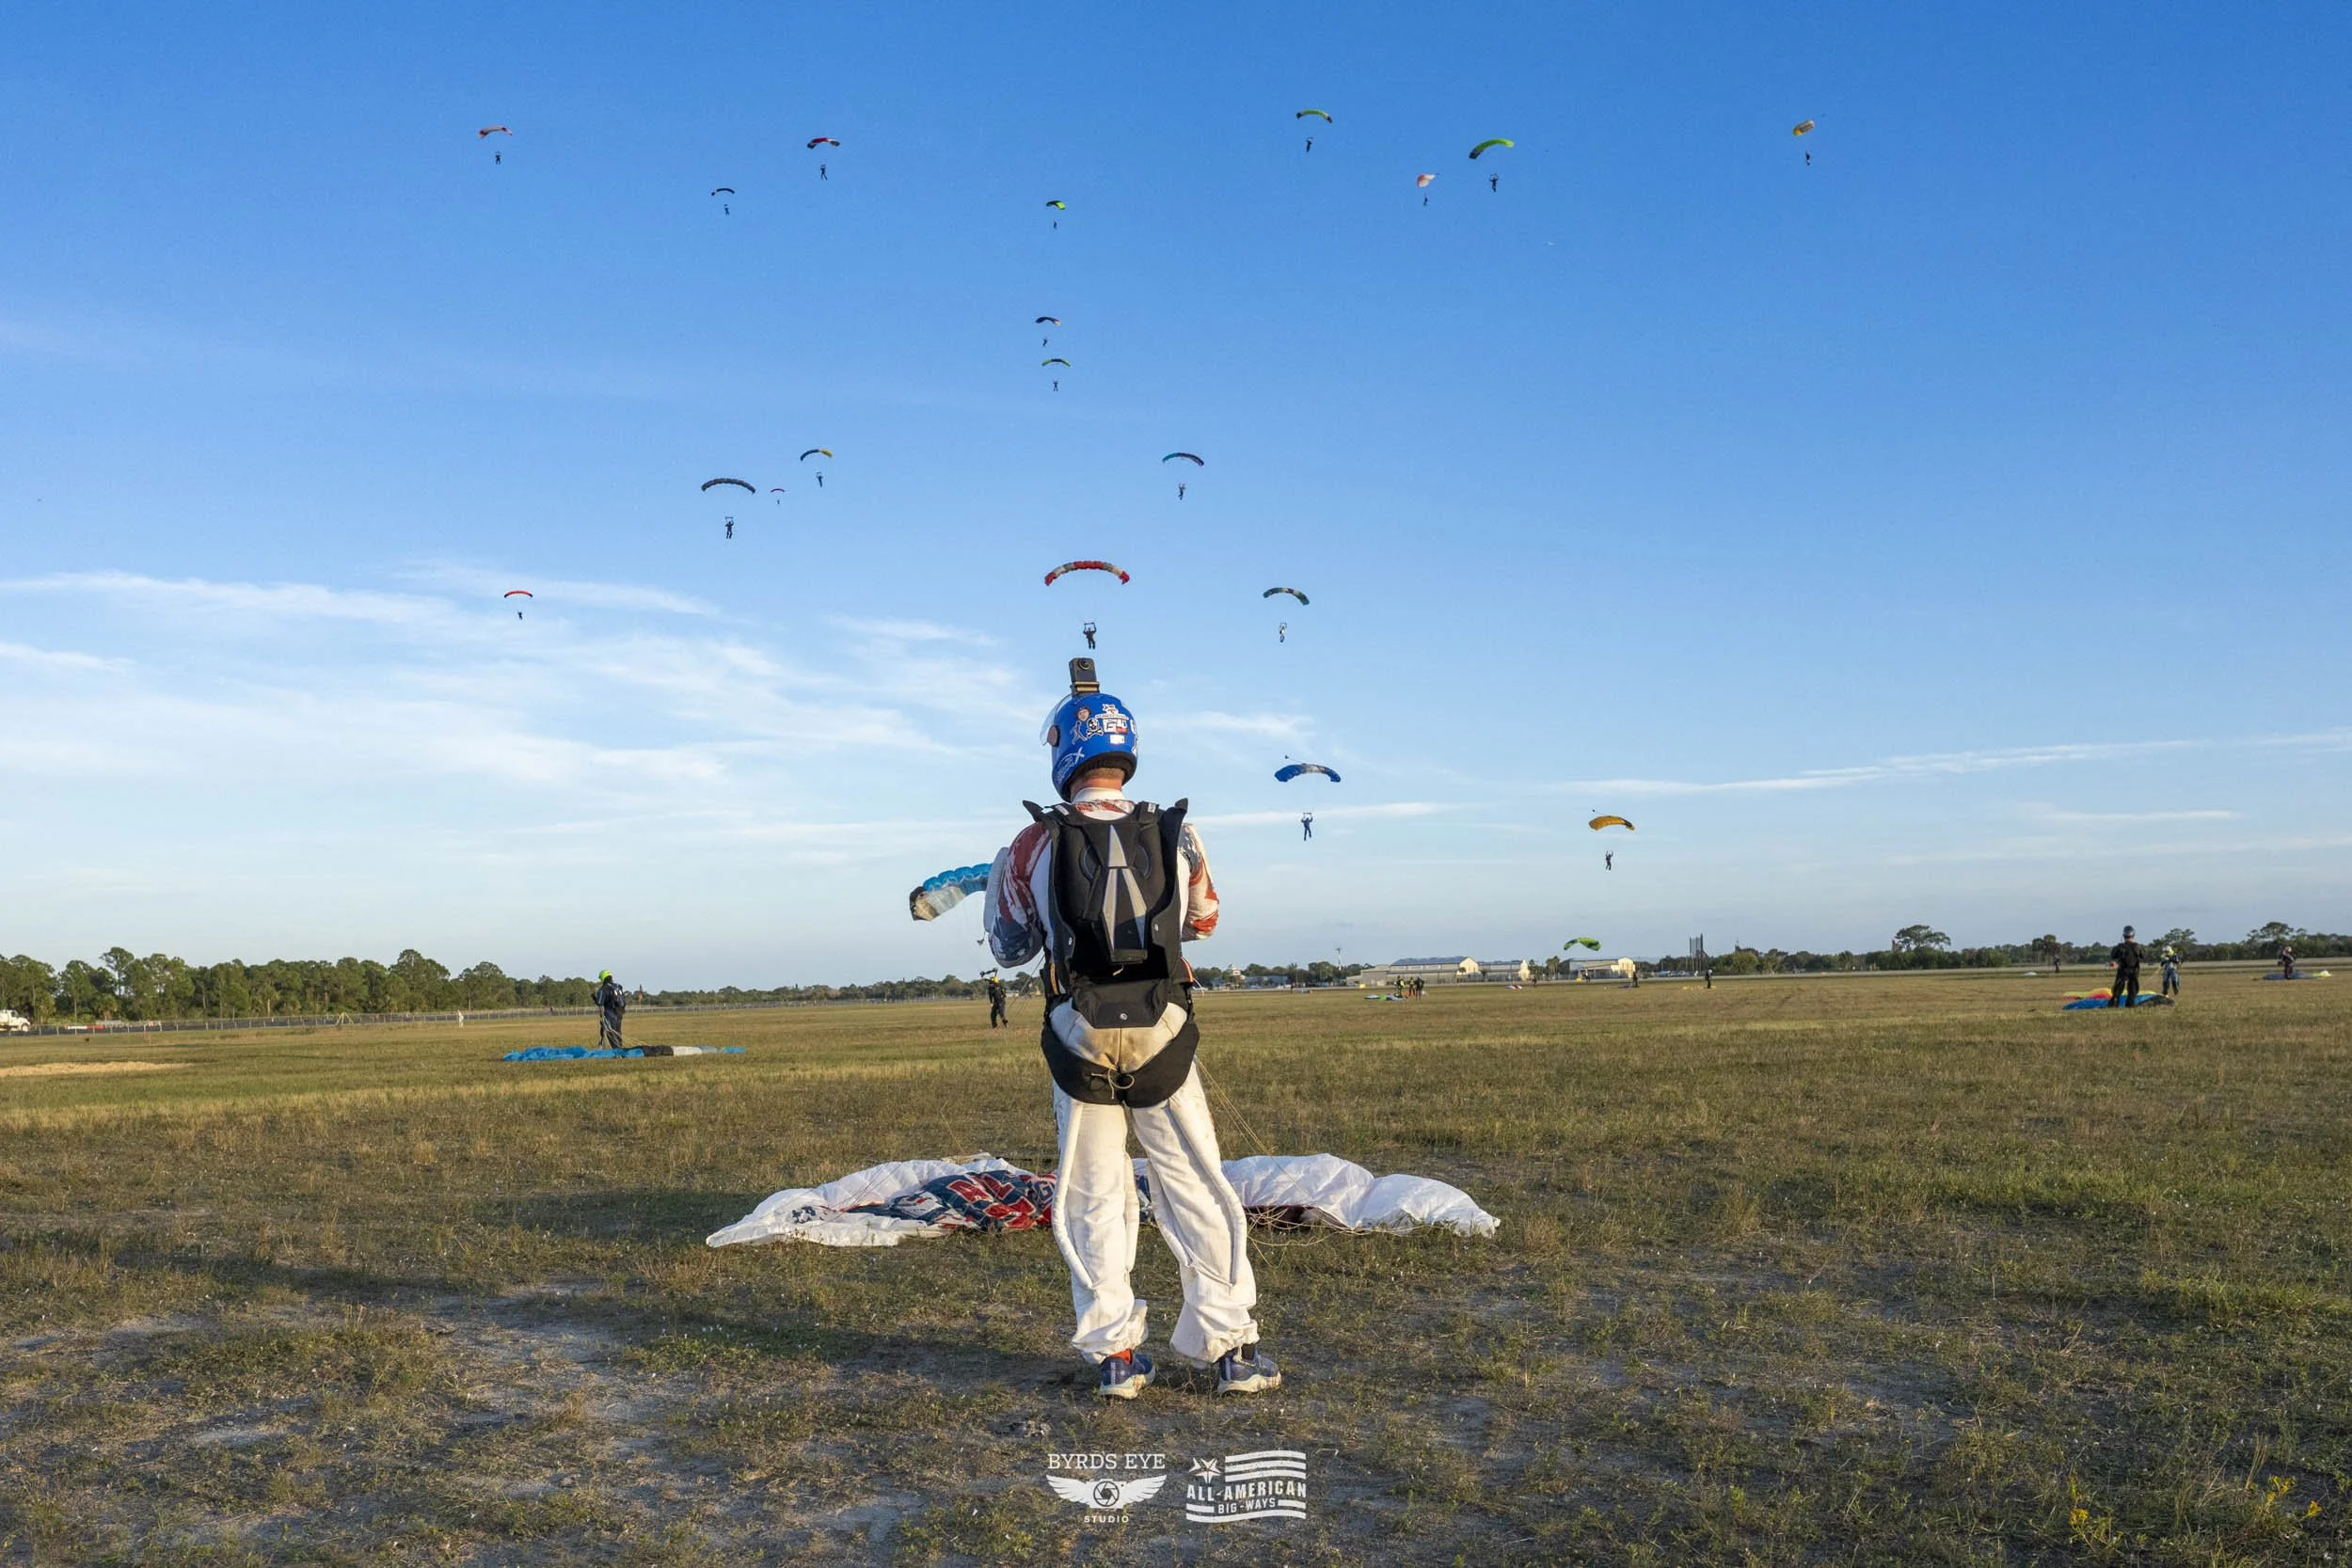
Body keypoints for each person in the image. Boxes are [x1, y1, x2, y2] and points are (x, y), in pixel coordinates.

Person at [984, 657, 1279, 1401]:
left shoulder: (1030, 844)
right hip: (1163, 1032)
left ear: (1062, 752)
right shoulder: (1175, 831)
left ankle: (1115, 1352)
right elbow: (1205, 921)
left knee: (1092, 1189)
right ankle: (1230, 1347)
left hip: (1079, 1032)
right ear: (1125, 746)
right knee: (1193, 1183)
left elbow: (1011, 945)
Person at [2107, 926, 2143, 1008]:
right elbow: (2142, 955)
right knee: (2133, 990)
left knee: (2118, 989)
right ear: (2133, 935)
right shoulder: (2137, 947)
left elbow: (2113, 956)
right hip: (2134, 971)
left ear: (2124, 936)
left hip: (2122, 971)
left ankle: (2113, 1005)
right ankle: (2130, 1005)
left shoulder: (2119, 947)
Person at [594, 969, 627, 1049]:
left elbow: (599, 1002)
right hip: (620, 1013)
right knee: (618, 1033)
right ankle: (620, 1049)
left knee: (611, 1034)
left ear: (603, 978)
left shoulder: (603, 989)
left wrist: (594, 998)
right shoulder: (618, 986)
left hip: (610, 1014)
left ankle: (617, 1052)